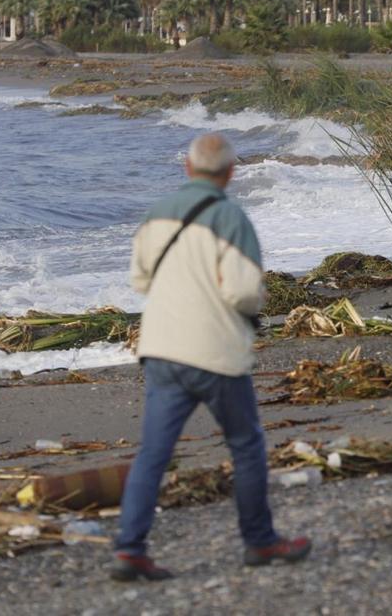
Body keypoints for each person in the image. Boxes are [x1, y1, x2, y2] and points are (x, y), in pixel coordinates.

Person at [112, 132, 310, 581]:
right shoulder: (231, 218)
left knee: (153, 455)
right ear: (230, 172)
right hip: (216, 352)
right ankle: (260, 542)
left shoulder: (155, 214)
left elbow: (140, 281)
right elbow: (243, 293)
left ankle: (129, 550)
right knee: (245, 446)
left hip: (161, 349)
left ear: (187, 167)